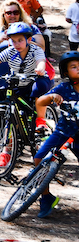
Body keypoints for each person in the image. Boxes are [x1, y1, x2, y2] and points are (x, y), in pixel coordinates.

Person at [31, 51, 79, 218]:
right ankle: (46, 197)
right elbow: (40, 101)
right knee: (39, 158)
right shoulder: (64, 88)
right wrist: (52, 96)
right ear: (66, 72)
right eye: (74, 67)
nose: (78, 69)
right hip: (63, 131)